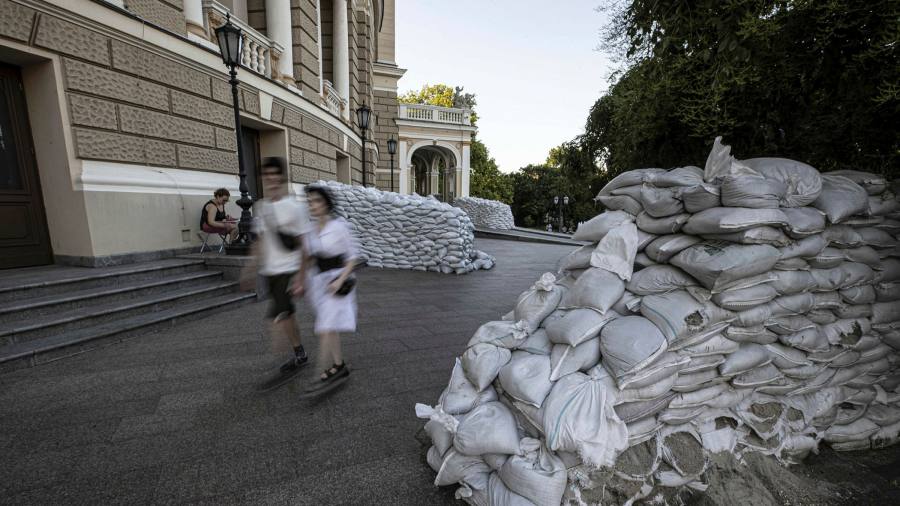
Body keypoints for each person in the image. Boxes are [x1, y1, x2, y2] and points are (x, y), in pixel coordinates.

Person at [245, 157, 310, 380]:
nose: (271, 179)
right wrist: (250, 268)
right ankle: (299, 351)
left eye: (275, 175)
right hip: (270, 270)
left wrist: (301, 278)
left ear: (282, 178)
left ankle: (293, 352)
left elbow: (304, 245)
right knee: (287, 314)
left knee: (281, 313)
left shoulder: (295, 207)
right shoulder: (261, 207)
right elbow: (259, 241)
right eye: (267, 175)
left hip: (288, 270)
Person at [294, 184, 358, 395]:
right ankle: (339, 366)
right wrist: (300, 280)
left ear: (327, 204)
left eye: (317, 201)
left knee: (324, 327)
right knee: (330, 328)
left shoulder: (339, 227)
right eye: (310, 201)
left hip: (337, 282)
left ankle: (317, 378)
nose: (312, 205)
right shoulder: (310, 230)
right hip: (319, 283)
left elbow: (352, 258)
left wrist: (339, 280)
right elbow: (308, 257)